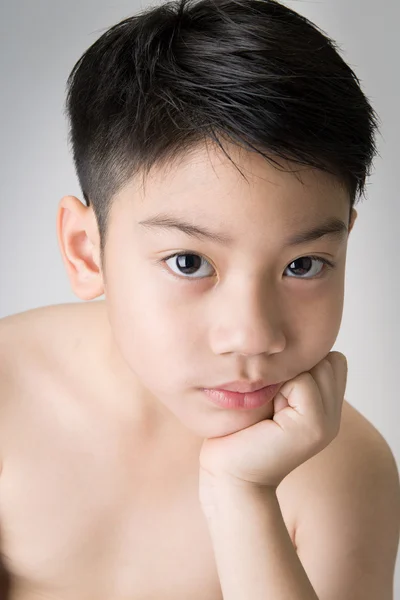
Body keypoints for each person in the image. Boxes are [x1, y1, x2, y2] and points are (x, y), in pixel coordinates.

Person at [0, 0, 399, 597]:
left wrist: (244, 494)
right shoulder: (9, 401)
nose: (253, 335)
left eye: (303, 264)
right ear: (87, 251)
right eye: (189, 263)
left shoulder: (347, 470)